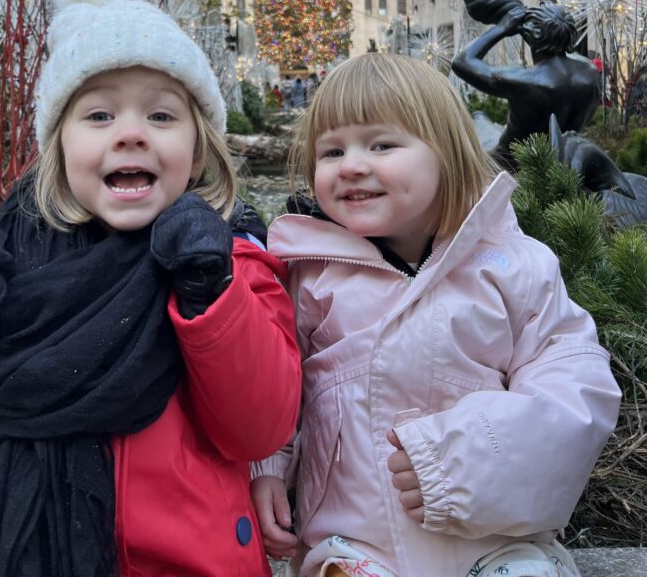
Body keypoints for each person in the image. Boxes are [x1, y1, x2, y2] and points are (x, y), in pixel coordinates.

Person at [0, 0, 301, 577]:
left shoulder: (232, 264)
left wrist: (210, 296)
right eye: (99, 116)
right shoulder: (2, 270)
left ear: (199, 147)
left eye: (161, 117)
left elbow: (257, 429)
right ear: (59, 144)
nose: (131, 133)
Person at [250, 53, 620, 577]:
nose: (352, 164)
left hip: (492, 543)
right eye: (331, 150)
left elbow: (576, 393)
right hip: (354, 548)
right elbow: (277, 389)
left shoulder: (515, 266)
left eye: (381, 145)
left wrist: (469, 460)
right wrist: (267, 467)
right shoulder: (309, 277)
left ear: (446, 153)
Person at [451, 0, 601, 171]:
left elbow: (461, 62)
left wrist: (502, 28)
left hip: (509, 164)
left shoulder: (527, 82)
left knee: (471, 132)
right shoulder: (589, 72)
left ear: (535, 35)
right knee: (482, 119)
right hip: (563, 161)